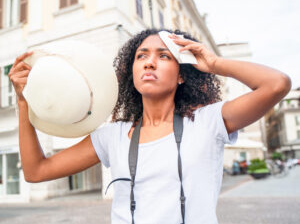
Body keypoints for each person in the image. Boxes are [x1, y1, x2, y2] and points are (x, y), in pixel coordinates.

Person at [9, 28, 291, 224]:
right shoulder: (113, 136)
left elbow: (276, 85)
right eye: (141, 56)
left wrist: (215, 63)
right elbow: (36, 171)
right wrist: (24, 102)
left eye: (164, 56)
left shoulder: (208, 122)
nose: (149, 63)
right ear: (131, 73)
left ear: (182, 75)